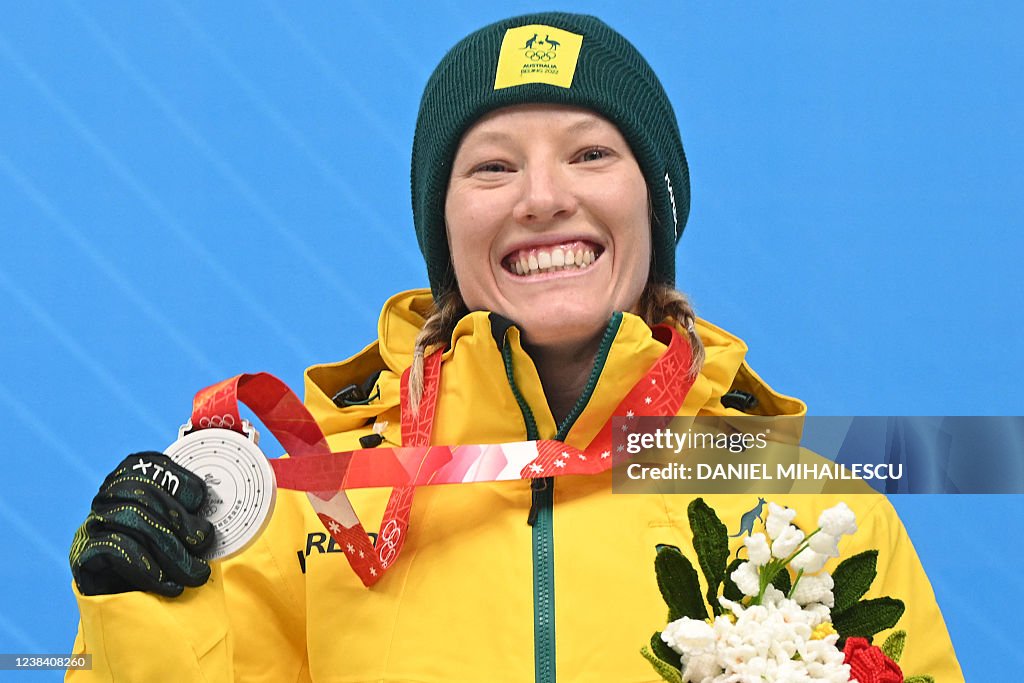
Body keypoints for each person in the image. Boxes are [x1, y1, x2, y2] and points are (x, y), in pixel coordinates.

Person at [67, 12, 964, 682]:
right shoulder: (308, 505)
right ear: (444, 228)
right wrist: (138, 613)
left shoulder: (806, 509)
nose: (541, 197)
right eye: (492, 165)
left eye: (590, 154)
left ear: (654, 211)